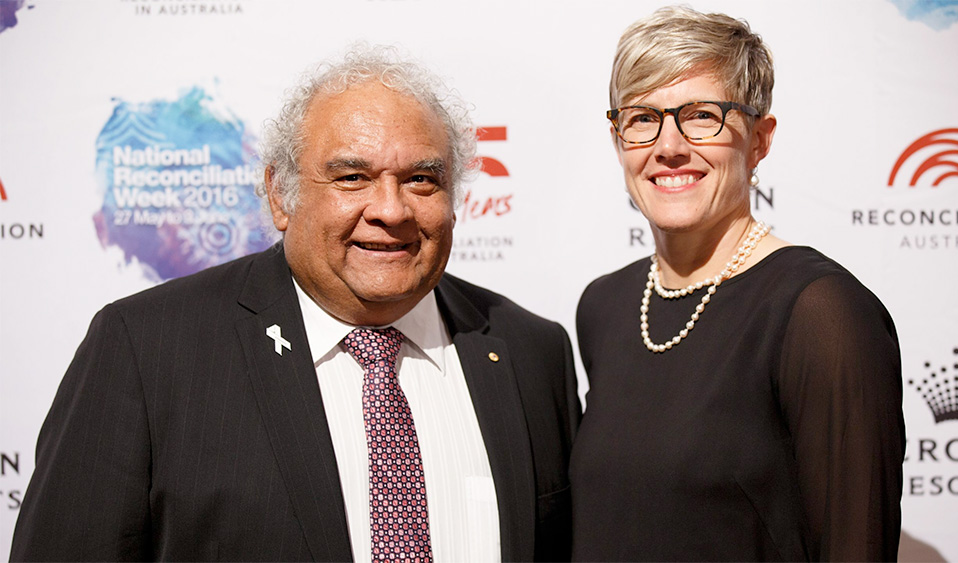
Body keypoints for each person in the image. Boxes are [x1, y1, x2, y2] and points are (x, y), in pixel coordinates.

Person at [11, 45, 579, 562]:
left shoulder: (530, 350)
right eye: (353, 177)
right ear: (281, 196)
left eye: (421, 180)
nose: (392, 210)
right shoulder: (146, 348)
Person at [570, 6, 904, 561]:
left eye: (701, 115)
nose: (669, 145)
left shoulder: (821, 312)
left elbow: (855, 545)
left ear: (759, 139)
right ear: (617, 138)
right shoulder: (604, 304)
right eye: (642, 117)